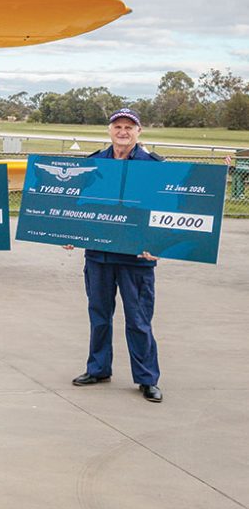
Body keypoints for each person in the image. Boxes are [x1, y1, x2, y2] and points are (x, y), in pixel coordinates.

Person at [70, 108, 165, 403]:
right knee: (99, 316)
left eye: (129, 127)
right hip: (99, 256)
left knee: (138, 320)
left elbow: (164, 209)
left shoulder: (154, 166)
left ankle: (147, 378)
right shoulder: (93, 164)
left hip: (136, 258)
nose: (123, 131)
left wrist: (158, 244)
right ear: (109, 130)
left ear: (139, 132)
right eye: (118, 126)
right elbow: (78, 203)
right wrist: (67, 232)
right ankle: (98, 369)